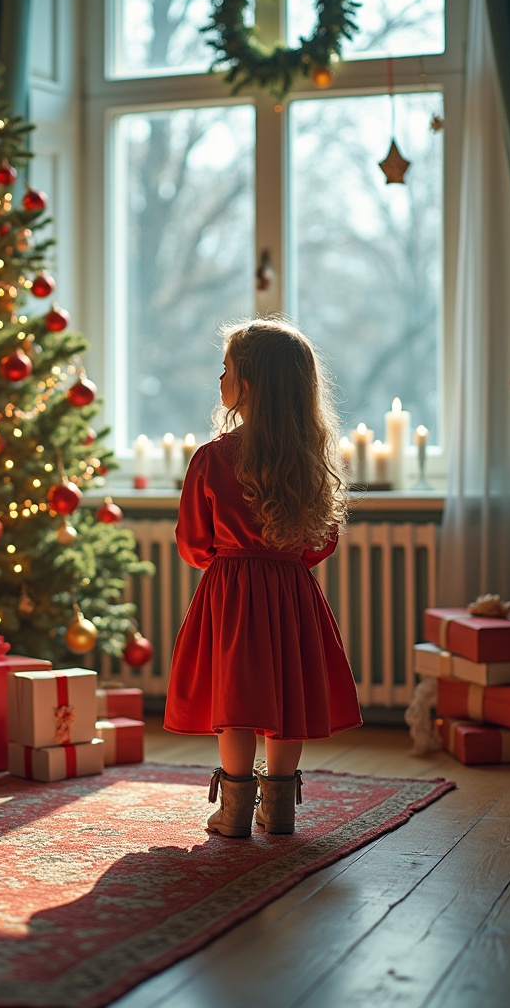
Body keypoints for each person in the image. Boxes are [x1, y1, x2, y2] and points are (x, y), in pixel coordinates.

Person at [164, 319, 362, 837]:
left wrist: (230, 563)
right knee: (285, 695)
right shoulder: (310, 459)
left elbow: (192, 542)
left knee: (236, 702)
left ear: (246, 386)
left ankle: (233, 813)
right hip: (291, 594)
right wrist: (280, 567)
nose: (220, 378)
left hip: (230, 595)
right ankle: (279, 809)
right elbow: (322, 541)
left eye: (225, 369)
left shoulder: (213, 458)